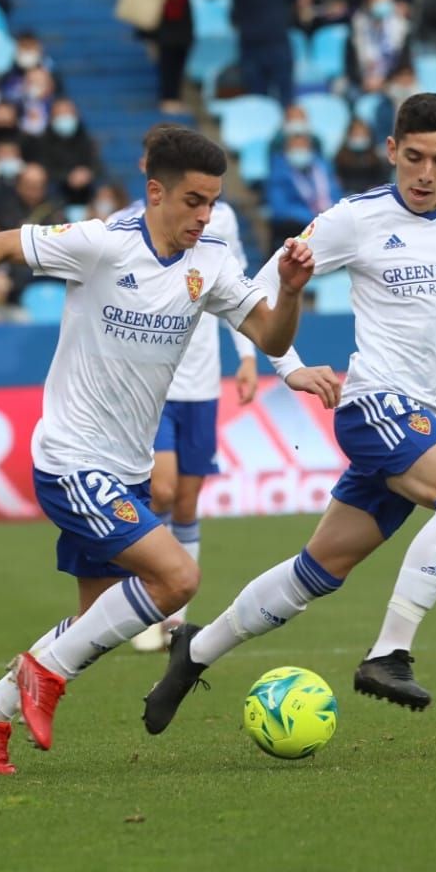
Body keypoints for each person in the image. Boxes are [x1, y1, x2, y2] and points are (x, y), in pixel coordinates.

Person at [0, 125, 315, 774]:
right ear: (156, 192)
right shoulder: (103, 244)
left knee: (91, 626)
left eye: (212, 202)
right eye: (193, 201)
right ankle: (37, 674)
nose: (204, 215)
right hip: (71, 460)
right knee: (176, 578)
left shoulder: (211, 264)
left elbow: (272, 336)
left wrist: (292, 288)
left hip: (126, 468)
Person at [141, 94, 436, 737]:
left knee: (319, 570)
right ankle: (388, 653)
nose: (426, 175)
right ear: (392, 151)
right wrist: (290, 367)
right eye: (414, 158)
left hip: (432, 421)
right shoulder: (354, 219)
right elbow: (253, 293)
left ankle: (193, 652)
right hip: (377, 405)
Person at [107, 127, 340, 654]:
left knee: (187, 500)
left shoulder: (219, 224)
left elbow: (240, 293)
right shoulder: (120, 230)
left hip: (201, 377)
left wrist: (246, 359)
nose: (203, 211)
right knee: (160, 490)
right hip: (149, 386)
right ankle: (151, 596)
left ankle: (173, 618)